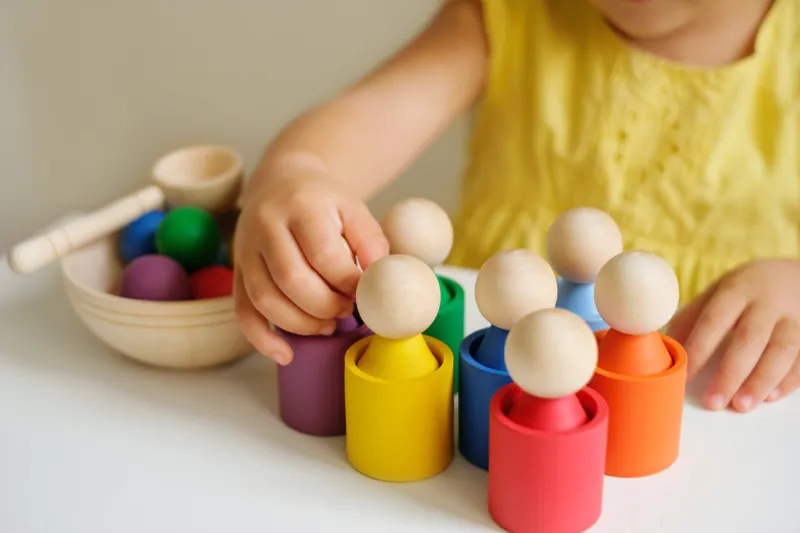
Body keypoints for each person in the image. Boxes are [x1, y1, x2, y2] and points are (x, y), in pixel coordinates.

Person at [232, 0, 800, 414]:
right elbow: (362, 124)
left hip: (720, 408)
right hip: (484, 364)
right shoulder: (504, 13)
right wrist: (292, 172)